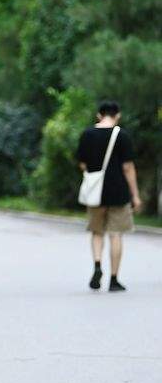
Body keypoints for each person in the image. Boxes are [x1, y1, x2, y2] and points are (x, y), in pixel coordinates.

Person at [77, 101, 142, 292]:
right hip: (118, 191)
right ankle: (114, 279)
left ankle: (97, 265)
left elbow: (82, 164)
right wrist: (135, 195)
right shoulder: (122, 136)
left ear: (99, 115)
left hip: (95, 193)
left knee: (97, 232)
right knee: (116, 234)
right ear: (117, 115)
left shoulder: (87, 134)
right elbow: (128, 167)